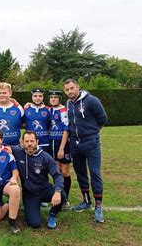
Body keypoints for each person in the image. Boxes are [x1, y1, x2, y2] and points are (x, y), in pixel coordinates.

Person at [64, 79, 108, 223]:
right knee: (80, 172)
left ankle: (98, 206)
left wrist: (92, 133)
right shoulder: (68, 103)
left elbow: (102, 118)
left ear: (77, 87)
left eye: (72, 88)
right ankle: (86, 201)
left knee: (95, 172)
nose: (70, 91)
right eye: (67, 90)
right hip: (75, 143)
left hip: (91, 142)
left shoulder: (91, 100)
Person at [11, 131, 65, 229]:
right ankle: (35, 206)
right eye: (26, 141)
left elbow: (58, 176)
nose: (29, 144)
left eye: (32, 141)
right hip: (29, 194)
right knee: (35, 224)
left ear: (37, 141)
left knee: (62, 195)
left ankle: (52, 215)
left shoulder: (45, 157)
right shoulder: (18, 152)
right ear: (22, 142)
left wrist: (57, 192)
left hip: (44, 190)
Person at [48, 90, 72, 204]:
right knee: (56, 171)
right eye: (51, 97)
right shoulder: (49, 109)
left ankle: (66, 198)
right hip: (51, 143)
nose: (53, 99)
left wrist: (62, 148)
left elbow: (66, 130)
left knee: (65, 171)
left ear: (59, 99)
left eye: (55, 97)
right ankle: (59, 195)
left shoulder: (63, 110)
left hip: (61, 144)